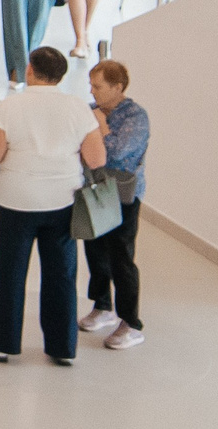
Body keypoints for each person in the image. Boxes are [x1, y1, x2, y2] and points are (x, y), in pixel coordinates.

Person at [0, 45, 106, 365]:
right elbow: (96, 158)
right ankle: (62, 347)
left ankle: (2, 343)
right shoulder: (78, 108)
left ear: (30, 71)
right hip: (61, 201)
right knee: (61, 274)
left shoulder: (9, 107)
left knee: (10, 273)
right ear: (61, 75)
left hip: (16, 201)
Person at [82, 58, 149, 350]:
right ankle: (102, 306)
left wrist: (100, 126)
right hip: (94, 189)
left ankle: (131, 323)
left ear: (117, 87)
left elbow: (117, 153)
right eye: (91, 85)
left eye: (98, 86)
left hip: (124, 194)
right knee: (95, 249)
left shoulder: (136, 116)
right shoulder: (89, 110)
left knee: (121, 256)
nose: (92, 91)